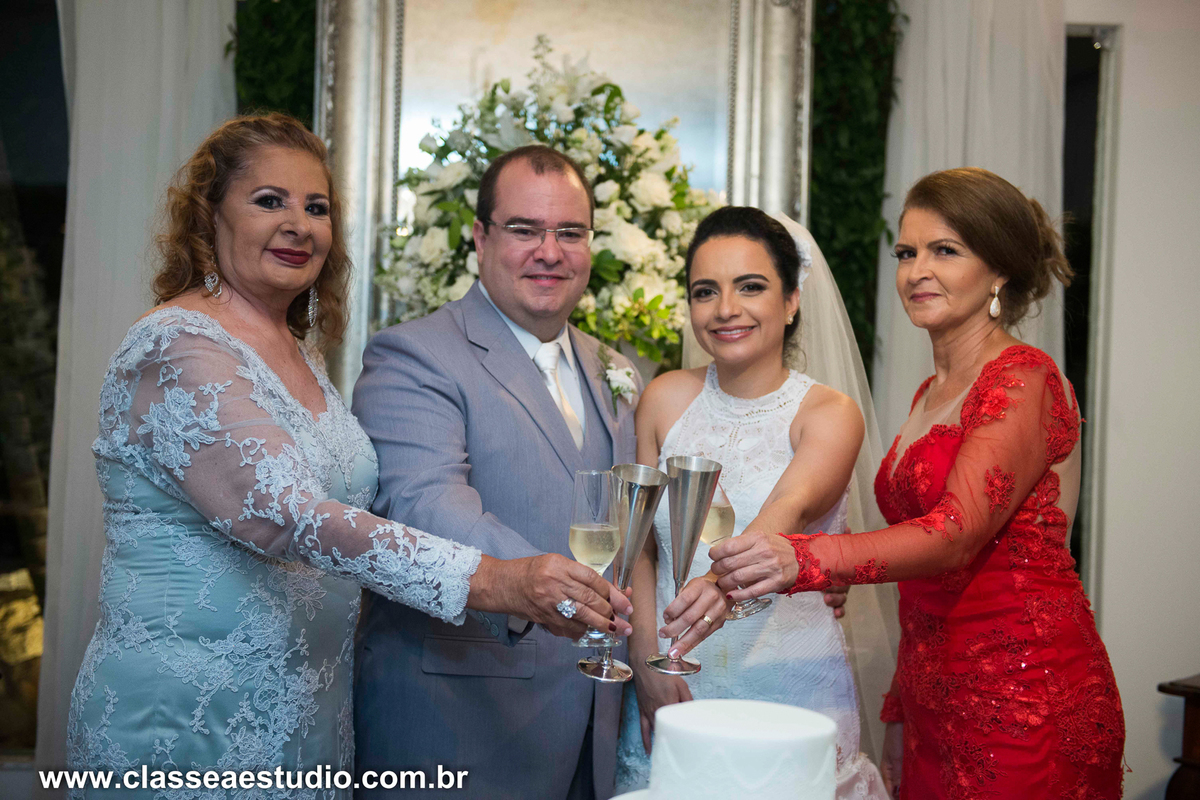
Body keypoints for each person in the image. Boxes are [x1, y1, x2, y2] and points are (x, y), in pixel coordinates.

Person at [65, 115, 626, 798]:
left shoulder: (297, 353)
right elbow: (289, 516)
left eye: (317, 207)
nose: (299, 223)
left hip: (309, 715)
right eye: (270, 200)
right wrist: (503, 581)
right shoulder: (177, 344)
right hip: (193, 713)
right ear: (210, 216)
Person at [703, 169, 1125, 798]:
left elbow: (954, 536)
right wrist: (901, 700)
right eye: (906, 252)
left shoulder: (1024, 379)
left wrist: (808, 559)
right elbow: (925, 575)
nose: (917, 270)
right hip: (934, 689)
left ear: (999, 271)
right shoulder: (930, 393)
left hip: (1023, 690)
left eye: (944, 251)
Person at [351, 145, 649, 799]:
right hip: (462, 722)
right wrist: (552, 587)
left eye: (569, 232)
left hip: (593, 721)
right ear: (481, 238)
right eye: (525, 230)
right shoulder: (414, 354)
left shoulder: (617, 368)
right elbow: (425, 505)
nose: (550, 251)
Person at [614, 207, 891, 797]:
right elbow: (638, 545)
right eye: (705, 291)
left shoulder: (828, 413)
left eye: (751, 287)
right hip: (676, 675)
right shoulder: (664, 399)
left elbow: (782, 515)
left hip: (790, 682)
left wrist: (717, 586)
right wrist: (645, 661)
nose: (726, 309)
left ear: (791, 301)